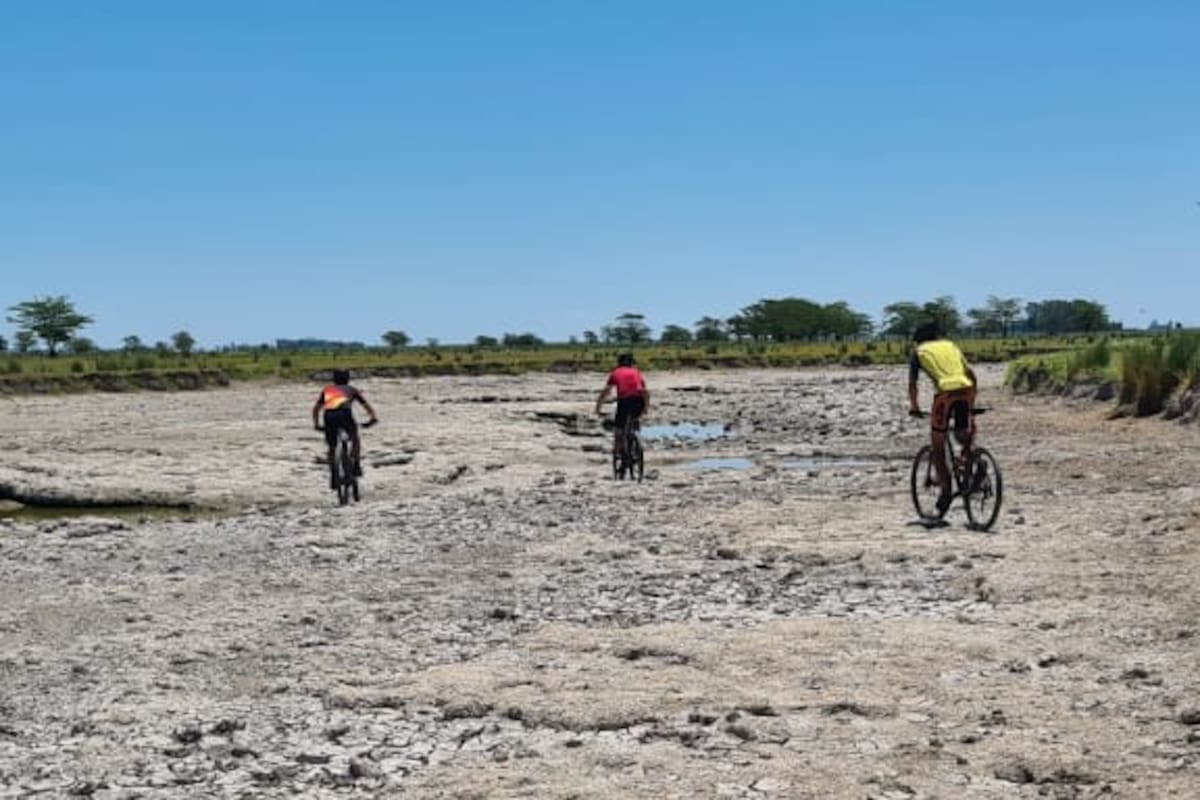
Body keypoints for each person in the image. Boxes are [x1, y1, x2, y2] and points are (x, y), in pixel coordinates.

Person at [907, 322, 977, 513]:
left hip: (945, 395)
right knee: (962, 433)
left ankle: (946, 492)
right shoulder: (950, 345)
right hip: (965, 389)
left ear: (918, 340)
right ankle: (974, 460)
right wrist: (972, 401)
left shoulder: (918, 352)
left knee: (938, 446)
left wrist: (914, 407)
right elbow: (970, 373)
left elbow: (913, 384)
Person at [312, 369, 378, 484]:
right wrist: (372, 418)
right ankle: (356, 465)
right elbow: (366, 405)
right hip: (345, 414)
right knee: (355, 438)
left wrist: (317, 424)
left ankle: (333, 473)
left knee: (332, 446)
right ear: (348, 379)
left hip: (329, 416)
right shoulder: (351, 390)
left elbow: (316, 408)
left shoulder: (327, 390)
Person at [595, 352, 650, 456]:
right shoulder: (636, 372)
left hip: (624, 401)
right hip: (639, 400)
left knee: (619, 428)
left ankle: (617, 450)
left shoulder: (615, 373)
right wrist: (646, 407)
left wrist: (598, 408)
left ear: (619, 363)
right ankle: (635, 435)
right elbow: (644, 390)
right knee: (634, 419)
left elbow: (605, 392)